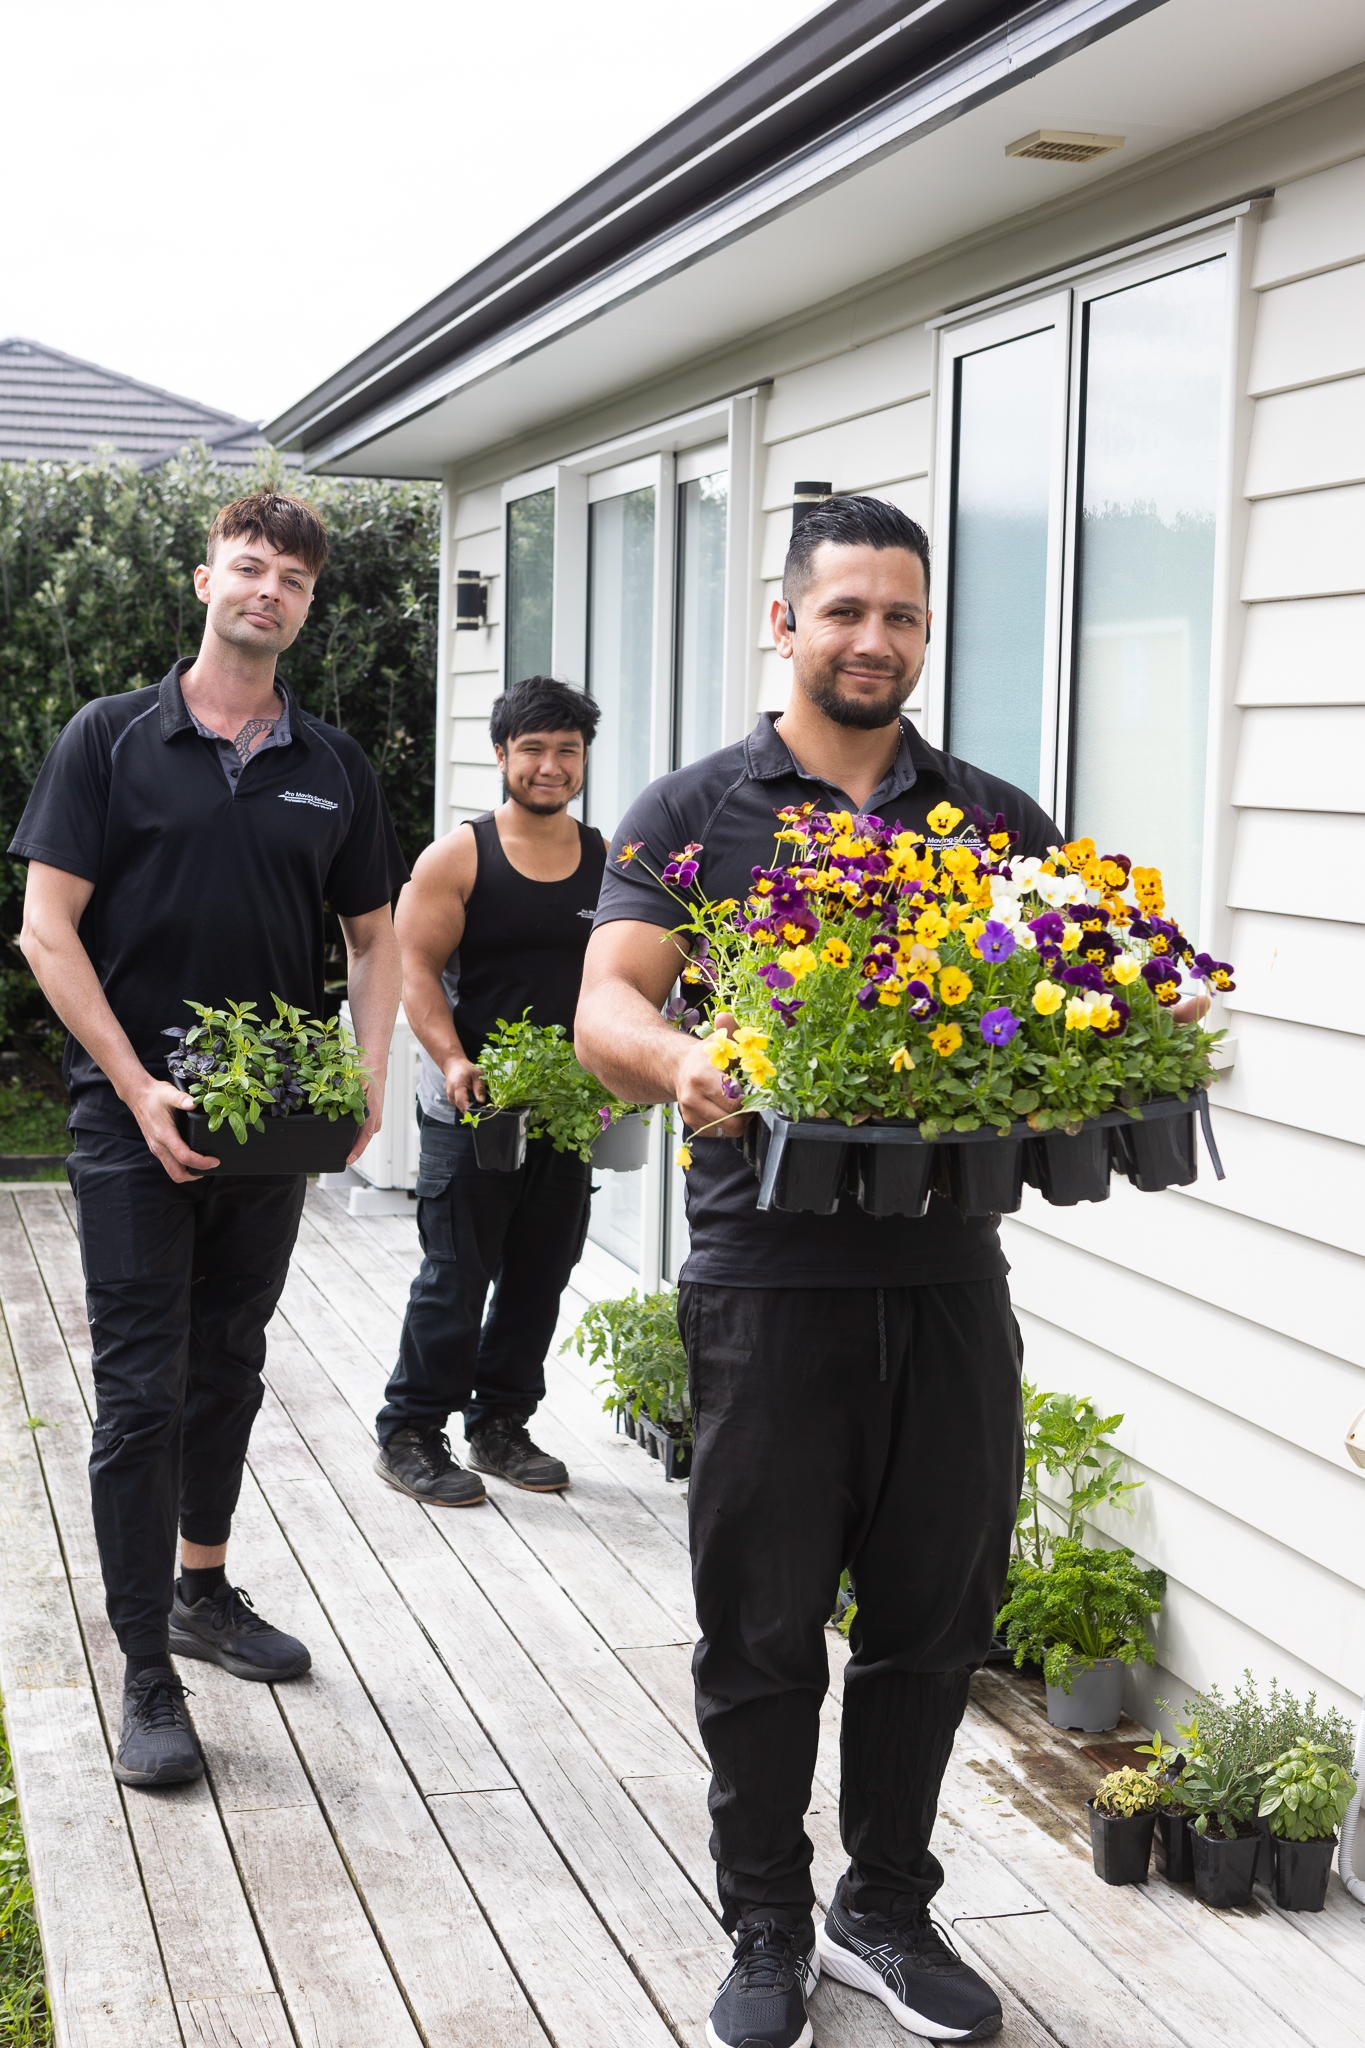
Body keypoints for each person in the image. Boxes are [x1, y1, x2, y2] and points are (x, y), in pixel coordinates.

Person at [576, 496, 1059, 2047]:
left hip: (947, 1273)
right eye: (843, 610)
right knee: (765, 1621)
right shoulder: (695, 807)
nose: (874, 640)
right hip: (768, 1276)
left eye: (901, 616)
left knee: (937, 1612)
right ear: (782, 625)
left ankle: (887, 1908)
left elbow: (1058, 1002)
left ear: (925, 636)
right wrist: (683, 1057)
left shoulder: (989, 819)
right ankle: (768, 1917)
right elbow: (607, 1009)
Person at [11, 491, 406, 1790]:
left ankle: (204, 1589)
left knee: (229, 1358)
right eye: (250, 567)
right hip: (131, 1119)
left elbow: (375, 936)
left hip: (269, 1119)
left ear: (303, 605)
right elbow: (45, 930)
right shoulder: (111, 740)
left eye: (292, 577)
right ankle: (144, 1669)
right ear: (203, 581)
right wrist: (133, 1086)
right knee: (137, 1393)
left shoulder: (333, 766)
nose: (269, 589)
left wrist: (365, 1075)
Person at [373, 675, 605, 1506]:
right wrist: (451, 1060)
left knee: (541, 1271)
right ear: (502, 754)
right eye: (534, 749)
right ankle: (409, 1430)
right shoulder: (458, 856)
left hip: (567, 1109)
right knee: (455, 1274)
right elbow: (417, 972)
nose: (550, 766)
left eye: (566, 751)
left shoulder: (605, 860)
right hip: (468, 1104)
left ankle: (498, 1424)